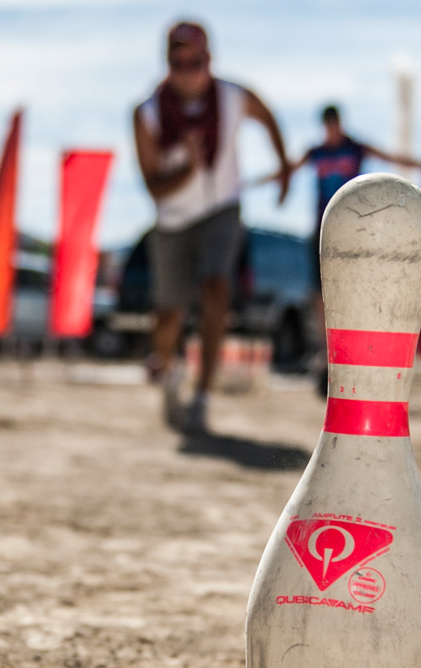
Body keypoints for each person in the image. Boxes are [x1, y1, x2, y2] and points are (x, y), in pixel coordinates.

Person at [133, 20, 289, 433]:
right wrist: (187, 168)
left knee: (216, 287)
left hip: (221, 209)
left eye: (195, 60)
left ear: (209, 60)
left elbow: (267, 116)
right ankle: (168, 375)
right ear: (167, 63)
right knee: (168, 314)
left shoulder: (232, 97)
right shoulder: (147, 114)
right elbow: (153, 186)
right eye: (178, 61)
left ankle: (202, 396)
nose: (188, 69)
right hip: (171, 221)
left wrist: (284, 165)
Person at [287, 105, 421, 395]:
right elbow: (289, 169)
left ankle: (355, 353)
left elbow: (391, 157)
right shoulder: (316, 152)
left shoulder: (355, 147)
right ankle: (327, 355)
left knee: (355, 290)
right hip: (323, 230)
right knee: (319, 293)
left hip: (354, 230)